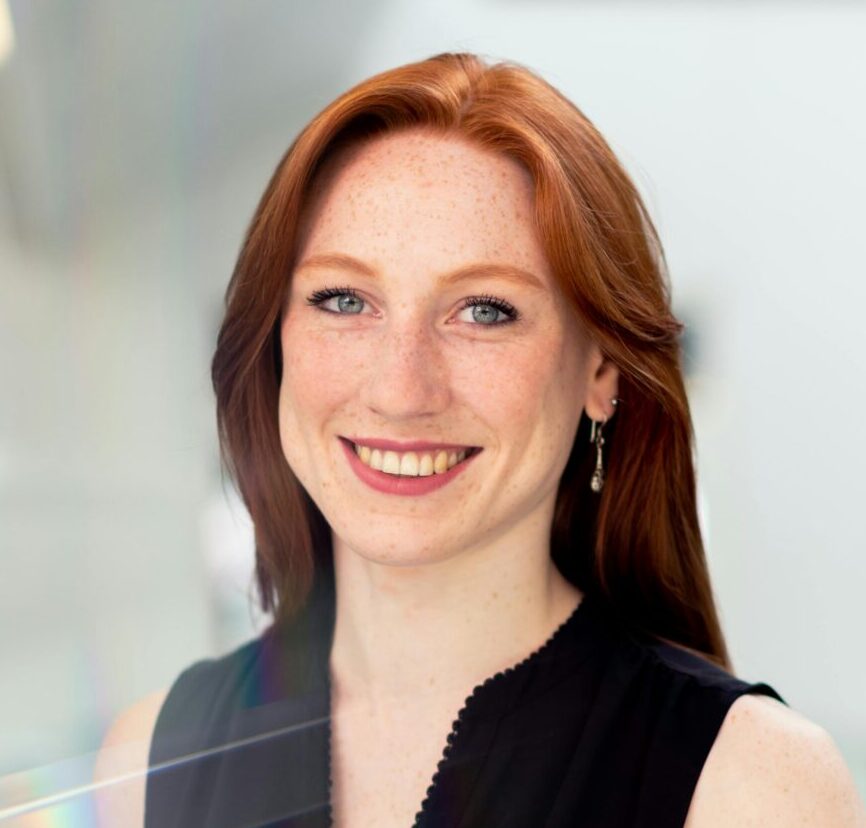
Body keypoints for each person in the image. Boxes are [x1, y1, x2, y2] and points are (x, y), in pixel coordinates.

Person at [93, 52, 866, 827]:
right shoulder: (148, 763)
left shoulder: (758, 788)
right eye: (343, 299)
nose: (400, 390)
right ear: (274, 342)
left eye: (484, 311)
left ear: (602, 370)